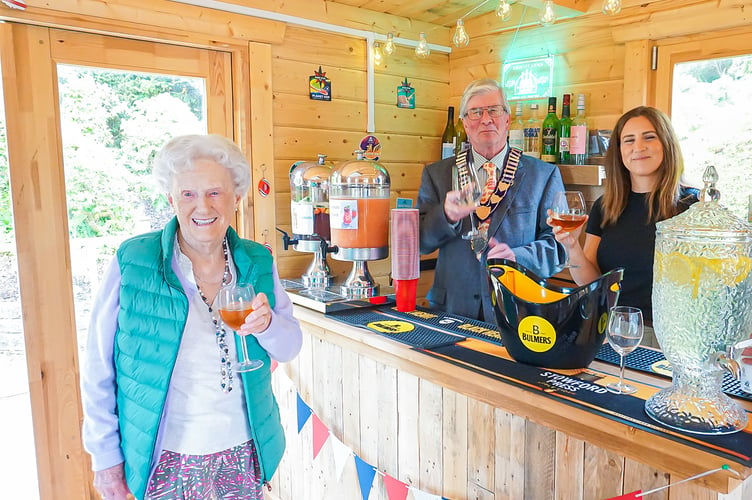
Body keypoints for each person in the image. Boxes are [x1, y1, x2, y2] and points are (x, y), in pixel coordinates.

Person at [80, 134, 303, 500]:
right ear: (171, 200)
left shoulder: (257, 260)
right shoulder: (134, 261)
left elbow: (290, 347)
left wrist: (268, 326)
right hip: (166, 458)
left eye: (215, 192)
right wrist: (105, 459)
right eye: (188, 194)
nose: (202, 206)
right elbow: (98, 368)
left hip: (243, 452)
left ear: (236, 197)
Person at [547, 106, 698, 346]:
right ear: (619, 151)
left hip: (673, 334)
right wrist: (572, 247)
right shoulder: (606, 206)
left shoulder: (692, 206)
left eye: (649, 137)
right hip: (614, 330)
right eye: (629, 140)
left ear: (667, 144)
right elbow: (591, 282)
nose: (638, 147)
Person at [418, 78, 565, 321]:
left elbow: (558, 248)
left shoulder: (544, 175)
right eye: (475, 112)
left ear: (507, 119)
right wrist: (446, 216)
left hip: (518, 310)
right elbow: (420, 243)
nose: (486, 119)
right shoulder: (437, 174)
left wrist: (518, 257)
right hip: (452, 309)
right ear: (465, 123)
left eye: (494, 110)